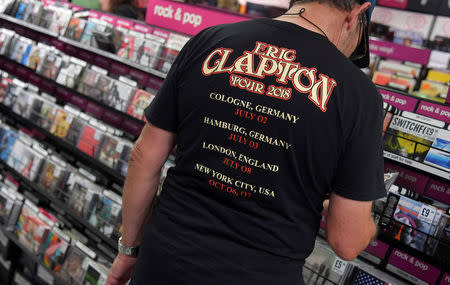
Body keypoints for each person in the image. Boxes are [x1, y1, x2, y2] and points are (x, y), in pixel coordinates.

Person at [107, 0, 385, 284]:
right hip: (261, 273)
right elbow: (347, 242)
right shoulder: (360, 96)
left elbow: (144, 155)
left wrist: (129, 248)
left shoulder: (210, 40)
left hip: (165, 259)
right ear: (357, 14)